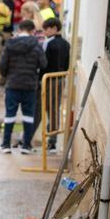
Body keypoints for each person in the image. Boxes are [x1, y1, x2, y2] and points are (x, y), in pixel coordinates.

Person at [0, 19, 47, 155]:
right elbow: (43, 64)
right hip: (30, 85)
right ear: (32, 31)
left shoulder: (10, 44)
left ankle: (5, 145)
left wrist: (7, 76)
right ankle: (26, 146)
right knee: (29, 116)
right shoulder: (36, 45)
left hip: (12, 84)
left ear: (19, 30)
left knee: (10, 115)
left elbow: (2, 65)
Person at [42, 18, 70, 151]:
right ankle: (53, 140)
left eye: (46, 29)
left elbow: (44, 64)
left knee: (41, 108)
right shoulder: (66, 43)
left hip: (48, 79)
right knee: (54, 109)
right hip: (61, 78)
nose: (44, 32)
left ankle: (27, 140)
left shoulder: (49, 43)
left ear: (54, 28)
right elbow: (67, 63)